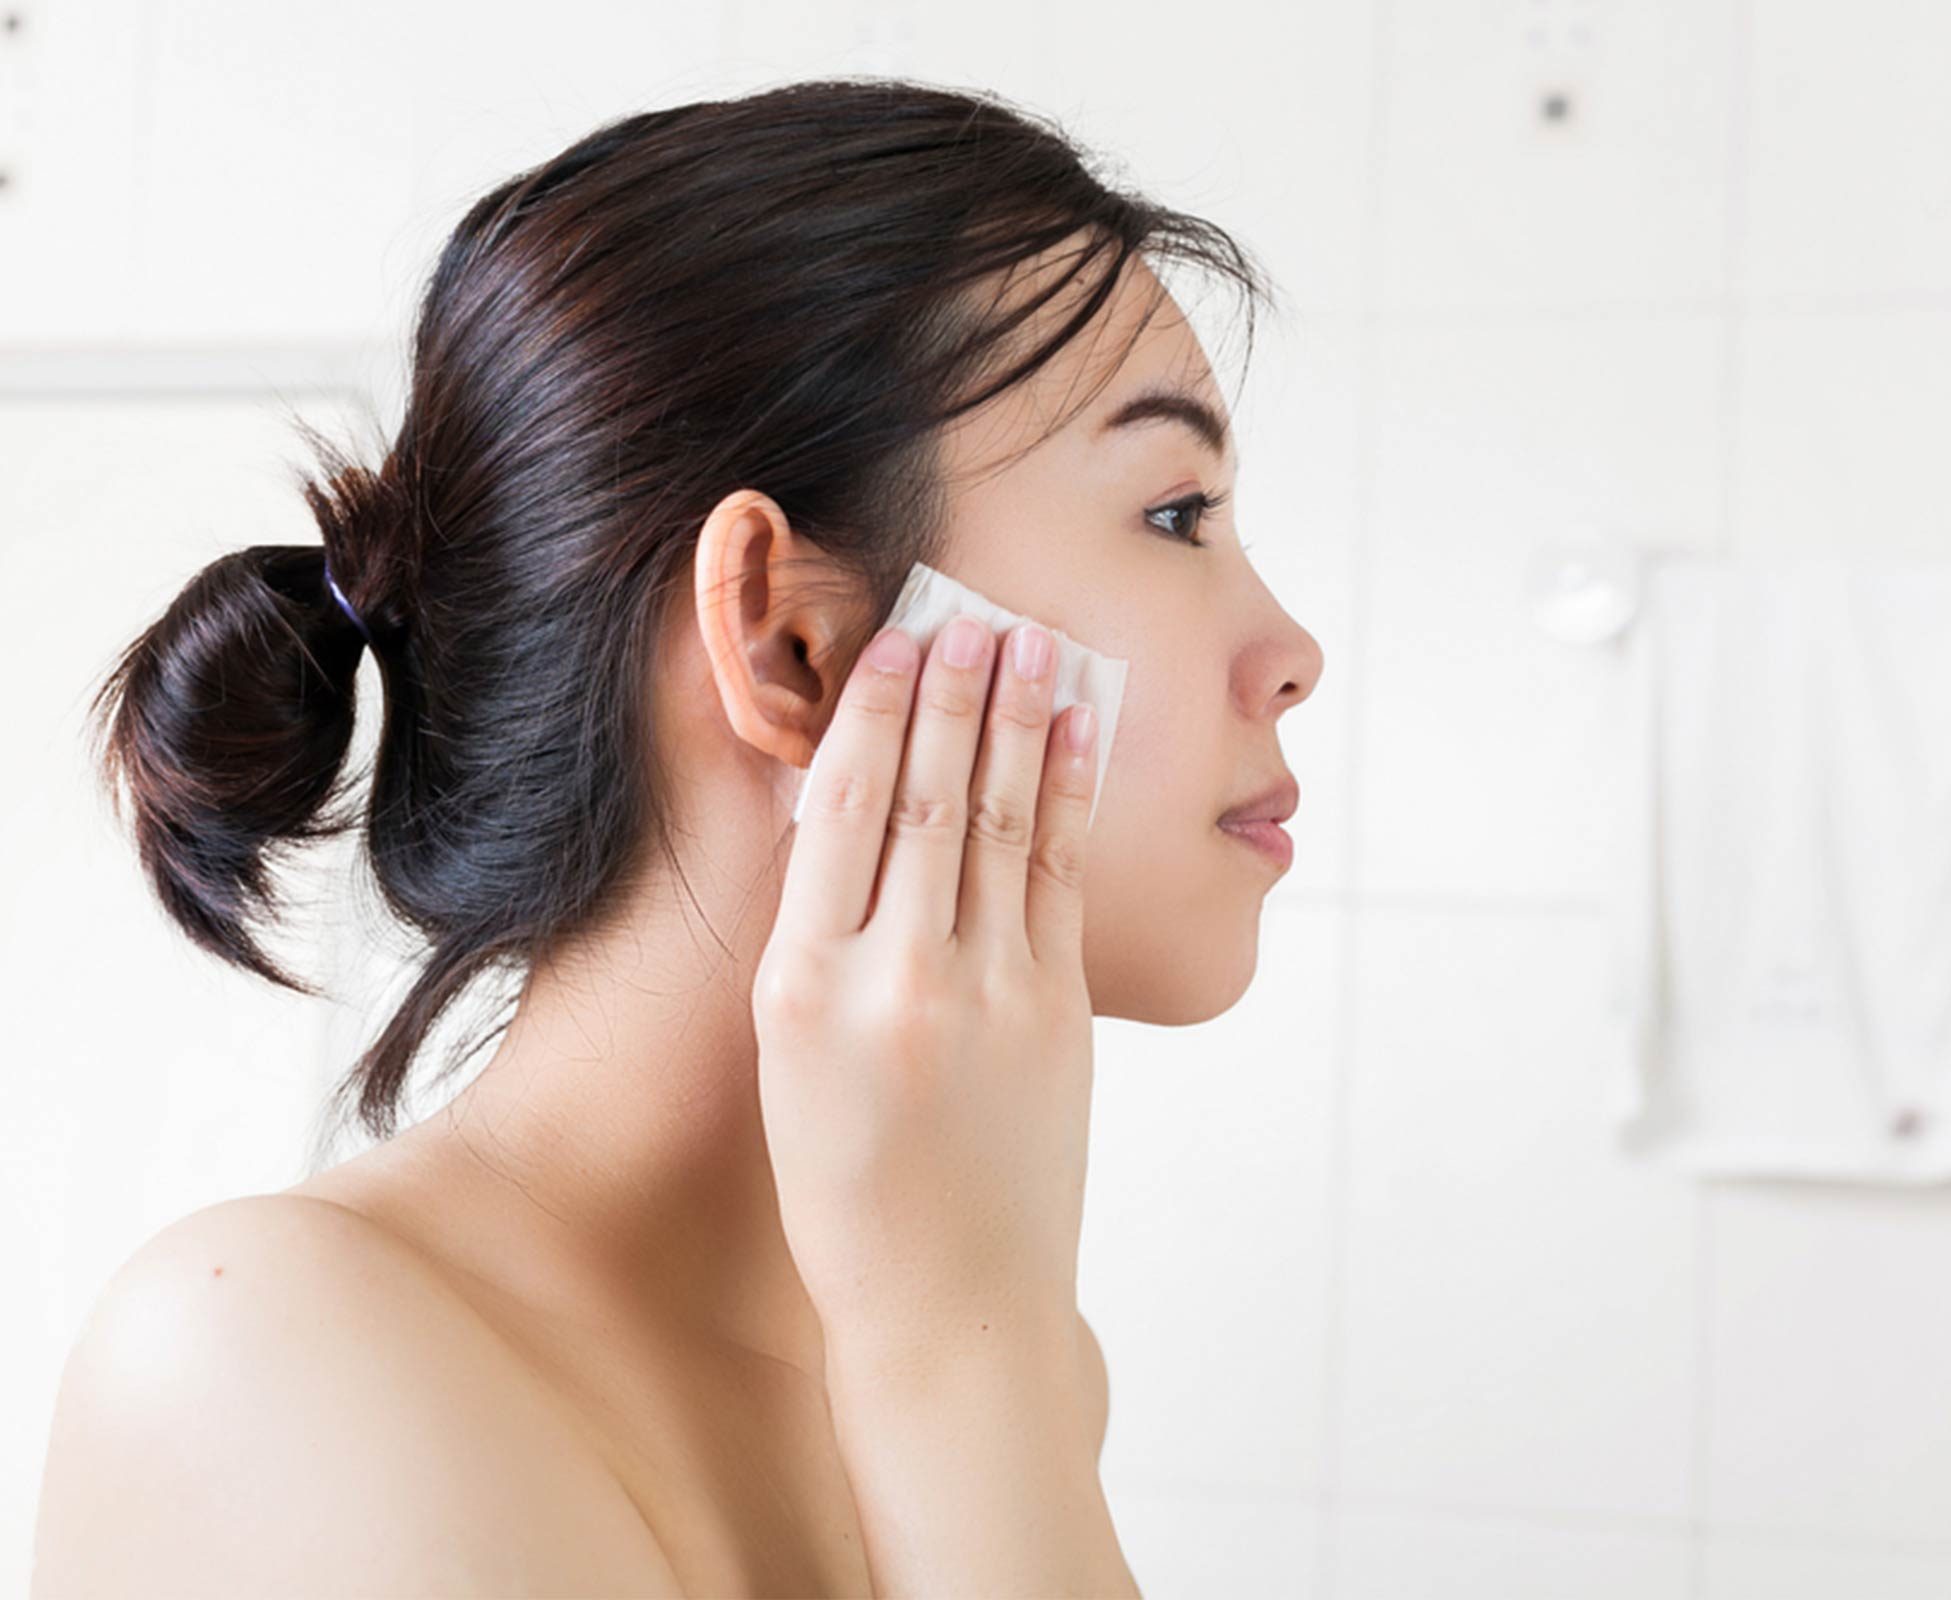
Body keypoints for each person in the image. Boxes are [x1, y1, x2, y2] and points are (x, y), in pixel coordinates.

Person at [34, 76, 1322, 1596]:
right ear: (784, 640)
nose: (1292, 650)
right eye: (1178, 515)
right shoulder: (265, 1363)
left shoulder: (999, 1356)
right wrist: (965, 1375)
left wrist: (972, 1361)